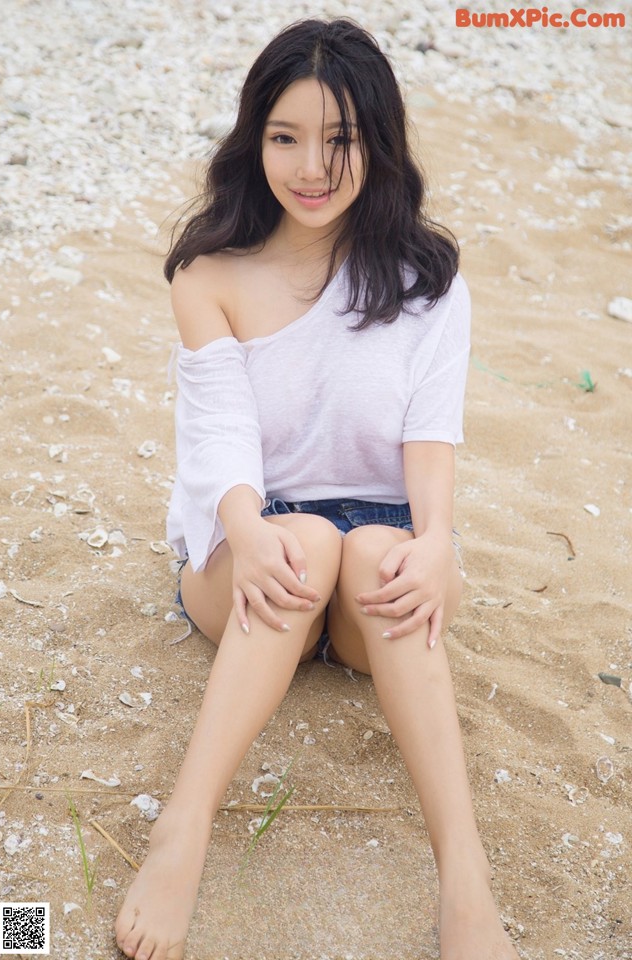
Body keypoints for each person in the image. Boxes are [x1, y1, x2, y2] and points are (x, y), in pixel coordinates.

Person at [115, 17, 520, 960]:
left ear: (378, 143)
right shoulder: (209, 273)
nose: (311, 166)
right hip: (254, 546)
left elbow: (433, 435)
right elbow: (218, 436)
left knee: (375, 545)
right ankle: (184, 828)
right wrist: (248, 530)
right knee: (310, 541)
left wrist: (436, 542)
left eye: (340, 140)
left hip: (379, 572)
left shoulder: (428, 278)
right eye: (285, 137)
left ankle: (465, 880)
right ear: (253, 140)